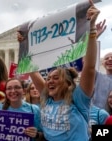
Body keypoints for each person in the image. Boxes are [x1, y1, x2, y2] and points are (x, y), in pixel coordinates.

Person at [28, 1, 99, 140]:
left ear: (68, 83)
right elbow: (31, 69)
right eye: (48, 78)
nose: (49, 81)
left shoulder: (78, 99)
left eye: (55, 78)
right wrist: (25, 43)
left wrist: (92, 28)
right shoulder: (47, 100)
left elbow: (89, 68)